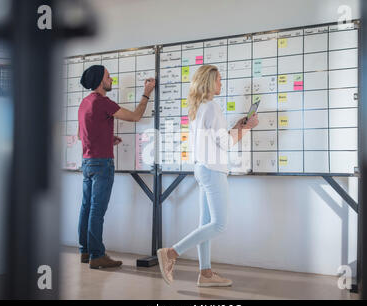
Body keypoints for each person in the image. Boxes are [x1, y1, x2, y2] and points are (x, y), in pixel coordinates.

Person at [157, 65, 258, 286]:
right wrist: (247, 127)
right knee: (219, 224)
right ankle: (171, 253)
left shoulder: (198, 107)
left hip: (202, 169)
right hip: (213, 170)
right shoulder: (212, 107)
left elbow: (217, 138)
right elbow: (225, 143)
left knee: (205, 224)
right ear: (209, 82)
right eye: (219, 79)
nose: (221, 83)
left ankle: (206, 273)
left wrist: (236, 126)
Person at [78, 65, 155, 269]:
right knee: (97, 210)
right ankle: (97, 256)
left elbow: (82, 135)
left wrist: (107, 139)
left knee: (86, 208)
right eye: (108, 77)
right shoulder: (104, 102)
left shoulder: (85, 103)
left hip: (87, 162)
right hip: (102, 163)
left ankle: (85, 251)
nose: (111, 80)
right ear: (99, 81)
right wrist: (146, 94)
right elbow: (136, 116)